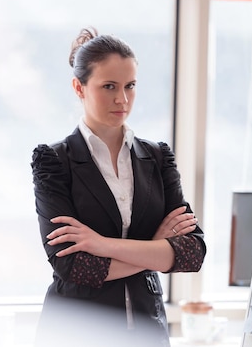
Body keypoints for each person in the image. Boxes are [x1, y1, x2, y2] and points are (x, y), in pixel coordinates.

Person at [31, 27, 206, 346]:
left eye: (130, 86)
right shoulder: (54, 161)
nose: (122, 99)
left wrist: (100, 244)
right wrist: (155, 248)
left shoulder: (157, 157)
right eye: (109, 86)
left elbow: (192, 253)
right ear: (79, 87)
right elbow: (72, 266)